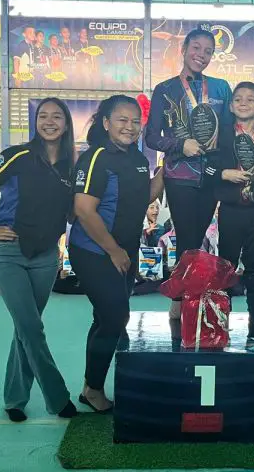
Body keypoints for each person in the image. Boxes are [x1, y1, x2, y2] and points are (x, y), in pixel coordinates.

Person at [0, 97, 78, 423]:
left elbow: (71, 210)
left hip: (45, 257)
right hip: (9, 252)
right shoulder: (17, 154)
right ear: (35, 122)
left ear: (66, 124)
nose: (50, 121)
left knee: (25, 329)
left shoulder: (72, 165)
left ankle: (14, 399)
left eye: (57, 116)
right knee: (31, 327)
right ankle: (58, 398)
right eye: (43, 116)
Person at [70, 95, 164, 413]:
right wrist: (113, 251)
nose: (130, 126)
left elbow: (142, 197)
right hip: (95, 251)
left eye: (136, 121)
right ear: (106, 123)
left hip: (125, 250)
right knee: (114, 317)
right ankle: (94, 389)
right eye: (122, 120)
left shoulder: (137, 158)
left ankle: (89, 384)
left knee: (105, 318)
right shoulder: (97, 156)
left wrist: (165, 172)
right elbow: (83, 209)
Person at [145, 25, 233, 319]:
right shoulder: (165, 89)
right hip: (179, 176)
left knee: (199, 240)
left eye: (208, 51)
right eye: (196, 48)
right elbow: (151, 137)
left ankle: (191, 295)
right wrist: (180, 144)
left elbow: (233, 130)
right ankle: (182, 299)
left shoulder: (221, 88)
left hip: (210, 176)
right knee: (185, 239)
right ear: (183, 50)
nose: (202, 55)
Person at [212, 81, 254, 336]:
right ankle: (221, 317)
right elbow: (205, 167)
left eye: (251, 99)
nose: (244, 103)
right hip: (231, 209)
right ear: (231, 105)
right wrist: (224, 174)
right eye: (238, 99)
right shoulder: (221, 134)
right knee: (225, 265)